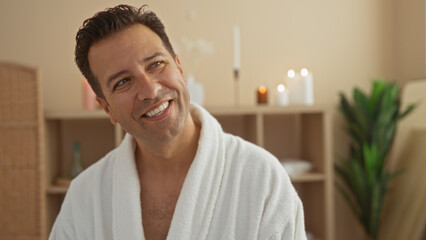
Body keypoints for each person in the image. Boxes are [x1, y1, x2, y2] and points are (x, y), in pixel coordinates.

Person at [49, 4, 307, 240]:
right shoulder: (84, 198)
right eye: (123, 82)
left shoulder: (262, 179)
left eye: (156, 64)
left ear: (179, 68)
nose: (150, 90)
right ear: (107, 108)